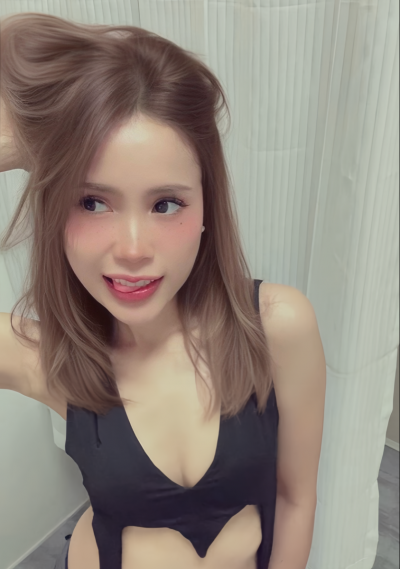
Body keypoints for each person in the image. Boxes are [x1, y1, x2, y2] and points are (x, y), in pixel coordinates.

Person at [0, 13, 326, 569]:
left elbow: (296, 499)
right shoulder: (44, 357)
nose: (132, 248)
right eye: (92, 202)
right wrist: (19, 143)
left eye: (165, 204)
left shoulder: (275, 326)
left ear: (206, 208)